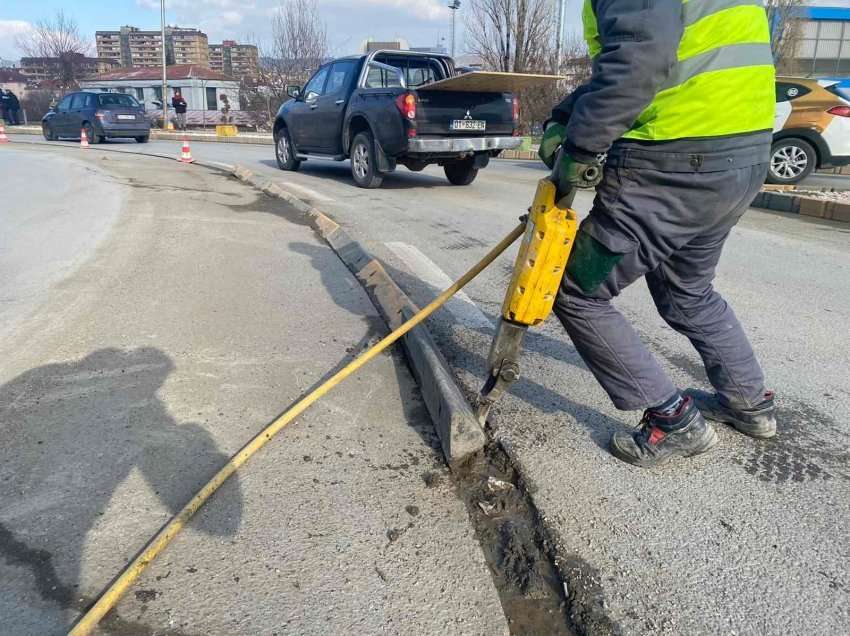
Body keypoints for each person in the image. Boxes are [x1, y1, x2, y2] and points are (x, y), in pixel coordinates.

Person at [540, 0, 778, 468]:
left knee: (574, 289)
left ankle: (675, 422)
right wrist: (568, 114)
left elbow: (640, 58)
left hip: (672, 168)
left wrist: (580, 149)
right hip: (740, 158)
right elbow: (650, 53)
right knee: (687, 289)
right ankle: (749, 403)